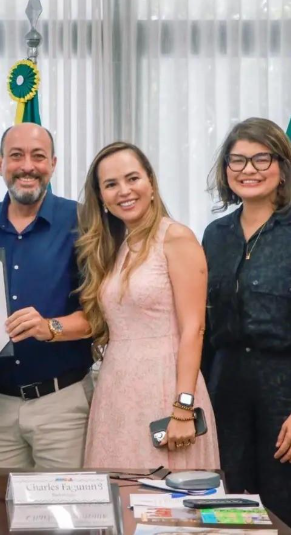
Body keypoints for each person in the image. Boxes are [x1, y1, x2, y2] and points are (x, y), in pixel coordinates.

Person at [202, 117, 291, 533]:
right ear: (226, 170)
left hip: (290, 393)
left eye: (261, 159)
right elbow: (205, 327)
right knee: (228, 516)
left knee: (286, 515)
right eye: (237, 160)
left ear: (282, 168)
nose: (248, 169)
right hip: (226, 391)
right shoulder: (214, 235)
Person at [80, 141, 219, 469]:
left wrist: (183, 408)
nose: (124, 191)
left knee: (164, 495)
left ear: (151, 184)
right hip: (115, 390)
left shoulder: (176, 238)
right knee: (116, 491)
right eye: (111, 184)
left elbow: (194, 329)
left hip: (165, 387)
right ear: (101, 197)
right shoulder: (114, 246)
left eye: (132, 178)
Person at [0, 123, 94, 468]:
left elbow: (102, 314)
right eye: (16, 156)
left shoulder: (83, 220)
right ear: (0, 163)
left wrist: (50, 328)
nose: (27, 166)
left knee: (67, 505)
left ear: (53, 163)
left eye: (38, 156)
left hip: (63, 407)